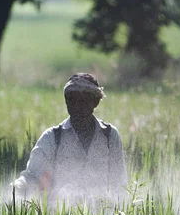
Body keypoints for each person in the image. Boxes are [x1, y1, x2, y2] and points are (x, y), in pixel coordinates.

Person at [13, 73, 128, 207]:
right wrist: (16, 188)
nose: (77, 106)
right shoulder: (53, 137)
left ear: (95, 102)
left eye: (83, 100)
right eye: (72, 100)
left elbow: (119, 182)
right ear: (67, 102)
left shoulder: (109, 136)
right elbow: (32, 176)